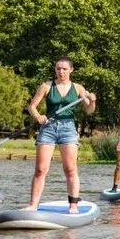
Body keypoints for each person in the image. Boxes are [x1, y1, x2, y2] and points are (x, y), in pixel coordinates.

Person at [24, 56, 96, 213]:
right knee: (41, 169)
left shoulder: (78, 88)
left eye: (64, 69)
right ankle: (33, 205)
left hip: (68, 128)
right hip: (48, 127)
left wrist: (92, 100)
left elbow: (89, 111)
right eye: (58, 69)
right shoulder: (46, 86)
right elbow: (32, 106)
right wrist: (38, 117)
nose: (61, 72)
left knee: (70, 169)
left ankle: (73, 205)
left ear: (71, 70)